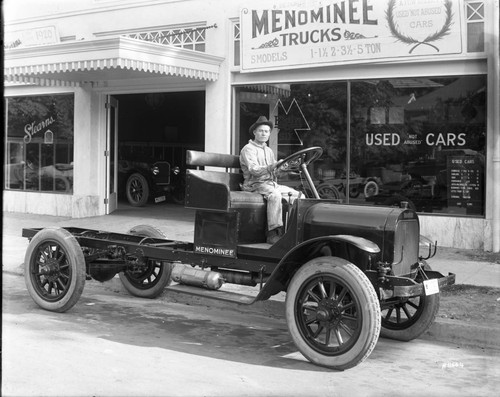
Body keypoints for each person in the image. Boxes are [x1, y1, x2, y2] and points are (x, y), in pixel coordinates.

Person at [240, 116, 301, 244]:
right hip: (254, 184)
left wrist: (284, 167)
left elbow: (275, 173)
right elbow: (254, 170)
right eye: (261, 131)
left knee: (299, 195)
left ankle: (293, 230)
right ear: (255, 132)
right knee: (275, 195)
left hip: (271, 184)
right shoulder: (248, 149)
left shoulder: (268, 151)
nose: (264, 133)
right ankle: (273, 233)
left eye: (266, 131)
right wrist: (273, 166)